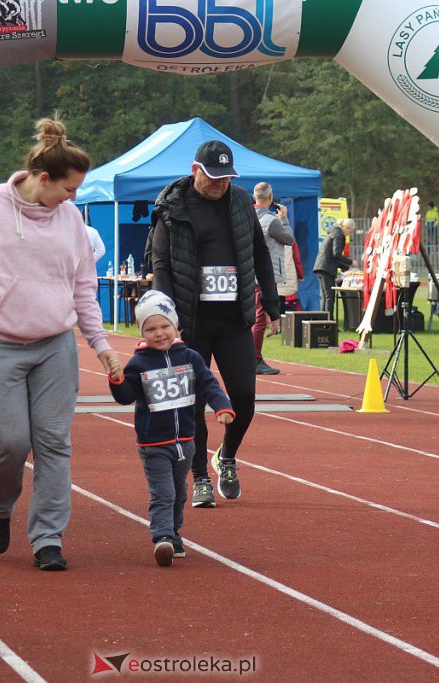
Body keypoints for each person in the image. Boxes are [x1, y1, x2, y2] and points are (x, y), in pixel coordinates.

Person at [0, 117, 122, 571]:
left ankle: (48, 538)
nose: (74, 198)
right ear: (44, 179)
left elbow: (84, 286)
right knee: (8, 441)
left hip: (54, 347)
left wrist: (100, 343)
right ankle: (0, 507)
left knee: (54, 443)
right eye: (69, 189)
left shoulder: (71, 221)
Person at [149, 140, 280, 508]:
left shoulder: (240, 201)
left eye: (226, 177)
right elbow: (161, 265)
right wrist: (165, 318)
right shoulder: (172, 207)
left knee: (245, 397)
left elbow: (259, 252)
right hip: (190, 321)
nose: (220, 183)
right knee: (192, 402)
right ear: (196, 171)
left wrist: (271, 302)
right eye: (213, 176)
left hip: (233, 317)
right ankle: (200, 477)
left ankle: (226, 456)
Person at [108, 291, 234, 566]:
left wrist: (222, 406)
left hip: (186, 440)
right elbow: (125, 396)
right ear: (142, 332)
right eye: (150, 329)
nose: (159, 333)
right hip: (154, 443)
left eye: (164, 326)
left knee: (179, 493)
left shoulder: (190, 358)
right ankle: (162, 536)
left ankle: (173, 534)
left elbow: (208, 384)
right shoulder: (139, 363)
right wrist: (117, 380)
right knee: (163, 493)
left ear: (176, 326)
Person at [251, 182, 294, 375]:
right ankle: (255, 360)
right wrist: (284, 218)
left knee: (253, 318)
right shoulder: (272, 220)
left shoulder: (246, 218)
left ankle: (251, 358)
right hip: (265, 275)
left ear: (254, 197)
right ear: (270, 198)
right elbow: (289, 239)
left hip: (248, 274)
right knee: (259, 319)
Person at [314, 218, 354, 315]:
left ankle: (323, 321)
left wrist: (346, 267)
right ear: (345, 227)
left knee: (325, 297)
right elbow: (336, 254)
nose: (350, 233)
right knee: (330, 297)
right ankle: (329, 322)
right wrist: (351, 262)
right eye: (350, 230)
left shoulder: (333, 233)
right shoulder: (339, 235)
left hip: (321, 266)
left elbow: (333, 256)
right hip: (327, 268)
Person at [277, 241, 304, 315]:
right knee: (281, 299)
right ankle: (279, 323)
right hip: (286, 273)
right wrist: (300, 275)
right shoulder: (291, 240)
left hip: (271, 272)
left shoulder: (268, 235)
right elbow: (297, 259)